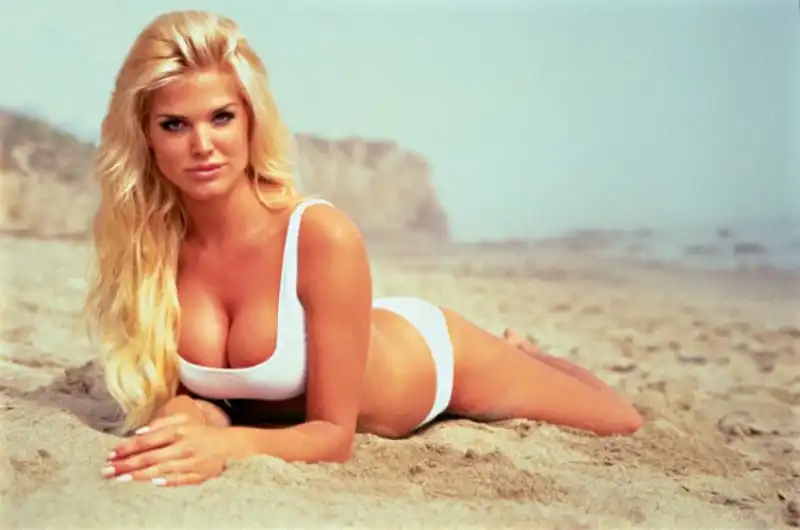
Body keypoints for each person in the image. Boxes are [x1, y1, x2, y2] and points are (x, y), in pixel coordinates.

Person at [84, 9, 643, 488]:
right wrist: (188, 417)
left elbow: (334, 438)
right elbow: (216, 401)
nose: (202, 144)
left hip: (431, 359)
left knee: (619, 420)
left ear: (251, 121)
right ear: (146, 137)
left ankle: (525, 353)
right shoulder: (153, 249)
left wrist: (225, 446)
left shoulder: (319, 234)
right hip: (356, 329)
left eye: (221, 117)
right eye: (175, 124)